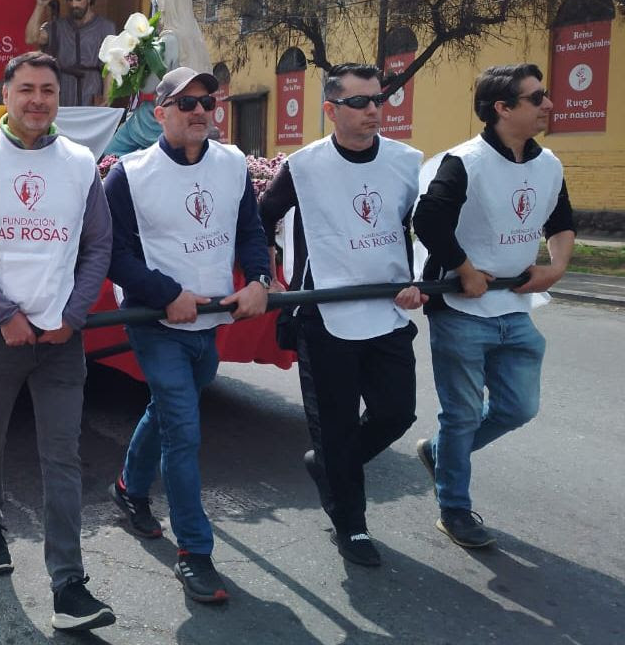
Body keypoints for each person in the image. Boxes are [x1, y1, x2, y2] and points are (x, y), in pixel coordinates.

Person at [0, 52, 115, 632]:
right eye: (27, 89)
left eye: (48, 90)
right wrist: (3, 314)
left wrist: (73, 313)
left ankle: (69, 586)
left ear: (58, 99)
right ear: (6, 95)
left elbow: (97, 246)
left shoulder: (81, 163)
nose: (38, 100)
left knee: (61, 455)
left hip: (60, 337)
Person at [103, 67, 271, 604]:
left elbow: (250, 231)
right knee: (183, 430)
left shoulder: (232, 164)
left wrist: (259, 280)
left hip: (212, 319)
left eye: (208, 101)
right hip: (156, 323)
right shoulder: (127, 175)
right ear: (159, 113)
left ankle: (129, 488)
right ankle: (194, 552)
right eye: (186, 102)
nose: (200, 110)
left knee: (167, 410)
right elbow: (112, 254)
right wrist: (166, 293)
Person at [258, 63, 427, 567]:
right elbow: (262, 216)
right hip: (323, 313)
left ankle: (329, 465)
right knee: (334, 424)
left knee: (396, 412)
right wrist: (267, 274)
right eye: (358, 102)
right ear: (331, 111)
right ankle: (350, 524)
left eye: (378, 99)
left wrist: (419, 277)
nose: (373, 109)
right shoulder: (304, 166)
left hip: (385, 308)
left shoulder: (405, 161)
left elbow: (421, 228)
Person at [413, 63, 575, 549]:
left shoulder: (549, 164)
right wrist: (464, 269)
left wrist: (556, 268)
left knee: (518, 407)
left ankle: (440, 453)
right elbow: (428, 219)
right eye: (536, 98)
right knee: (462, 415)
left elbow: (561, 221)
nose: (548, 104)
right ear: (502, 108)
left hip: (515, 308)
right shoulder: (465, 162)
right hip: (462, 310)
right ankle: (455, 510)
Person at [104, 0, 211, 157]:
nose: (160, 15)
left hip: (161, 117)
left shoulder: (169, 40)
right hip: (191, 112)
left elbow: (150, 86)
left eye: (161, 9)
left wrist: (136, 68)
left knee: (112, 151)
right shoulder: (198, 42)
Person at [25, 0, 117, 107]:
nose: (74, 4)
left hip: (91, 88)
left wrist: (108, 97)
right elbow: (31, 38)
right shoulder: (58, 27)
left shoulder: (105, 27)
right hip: (64, 91)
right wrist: (40, 6)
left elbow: (110, 66)